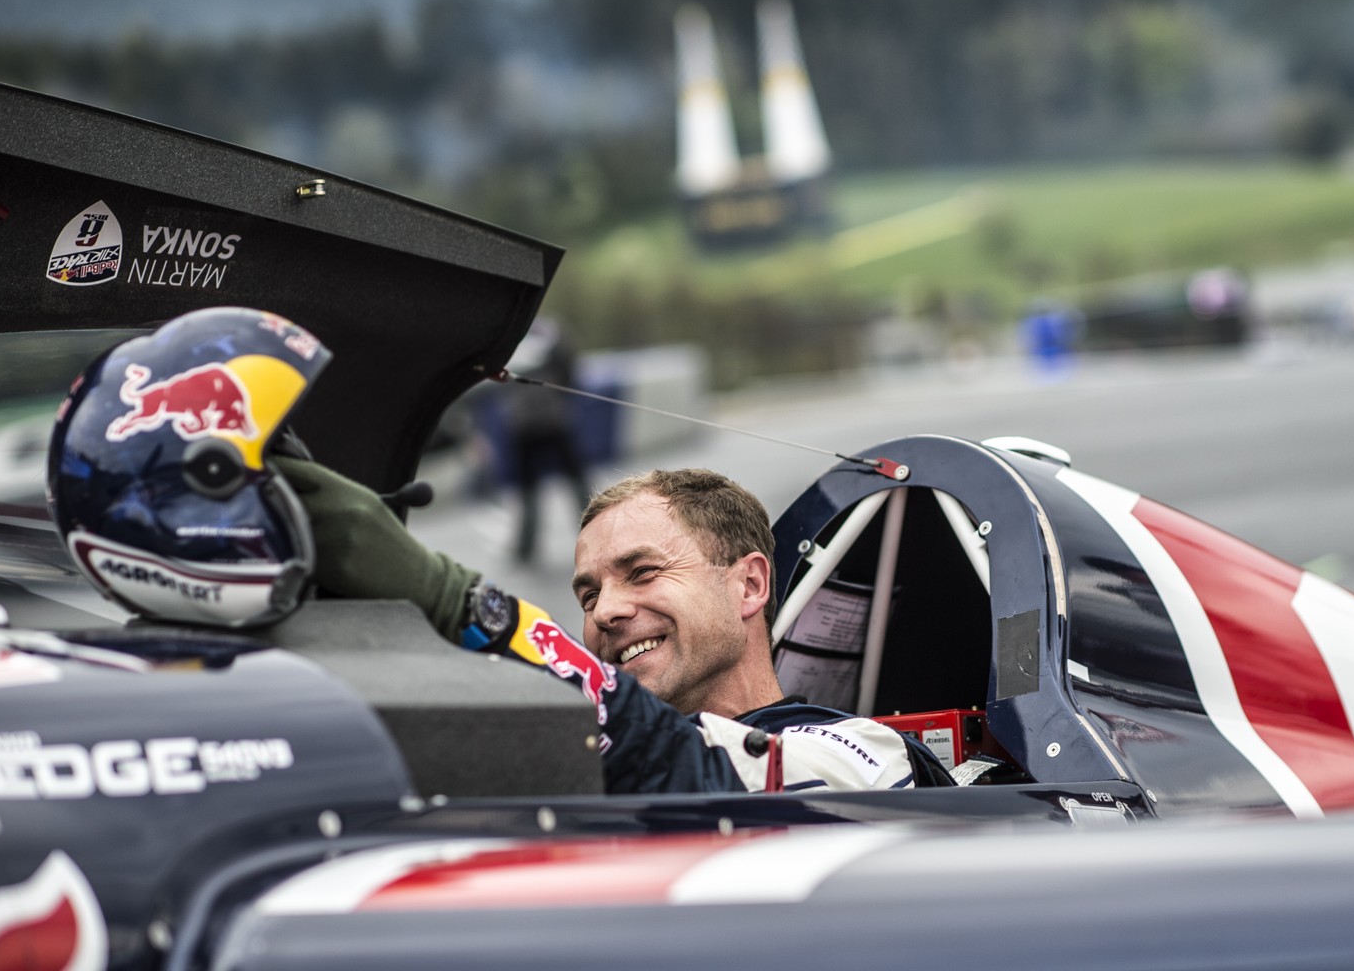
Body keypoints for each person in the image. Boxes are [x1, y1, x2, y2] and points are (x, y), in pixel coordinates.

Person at [273, 457, 949, 794]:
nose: (605, 611)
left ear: (749, 585)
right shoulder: (588, 763)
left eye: (643, 572)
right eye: (589, 593)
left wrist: (453, 601)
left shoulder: (865, 755)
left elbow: (685, 764)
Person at [497, 318, 593, 564]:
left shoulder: (506, 333)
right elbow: (571, 368)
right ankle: (595, 536)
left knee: (530, 489)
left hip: (526, 423)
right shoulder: (553, 332)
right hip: (552, 420)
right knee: (575, 483)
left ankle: (525, 548)